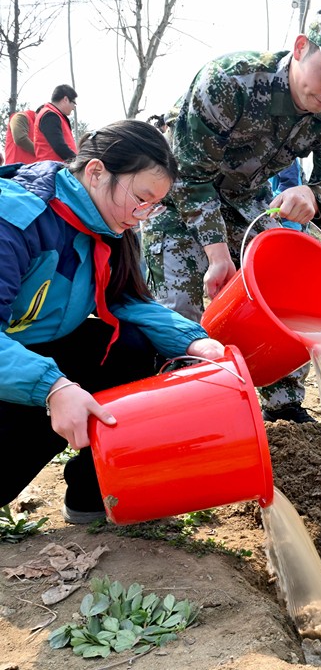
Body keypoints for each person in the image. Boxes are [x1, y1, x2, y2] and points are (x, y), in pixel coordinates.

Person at [142, 7, 321, 424]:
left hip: (245, 197)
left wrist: (313, 195)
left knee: (287, 282)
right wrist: (216, 255)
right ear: (301, 48)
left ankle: (284, 406)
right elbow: (188, 176)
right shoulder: (231, 81)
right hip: (175, 193)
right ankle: (181, 408)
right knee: (180, 306)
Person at [0, 119, 226, 524]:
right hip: (14, 364)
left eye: (153, 205)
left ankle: (92, 494)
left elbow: (126, 300)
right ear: (97, 172)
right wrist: (53, 388)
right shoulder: (15, 219)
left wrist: (195, 342)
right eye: (140, 198)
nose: (142, 215)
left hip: (30, 356)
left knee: (131, 346)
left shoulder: (108, 227)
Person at [33, 85, 79, 162]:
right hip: (52, 169)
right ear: (65, 99)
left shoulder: (56, 115)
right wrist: (78, 162)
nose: (74, 107)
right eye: (74, 103)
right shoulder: (50, 116)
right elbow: (59, 146)